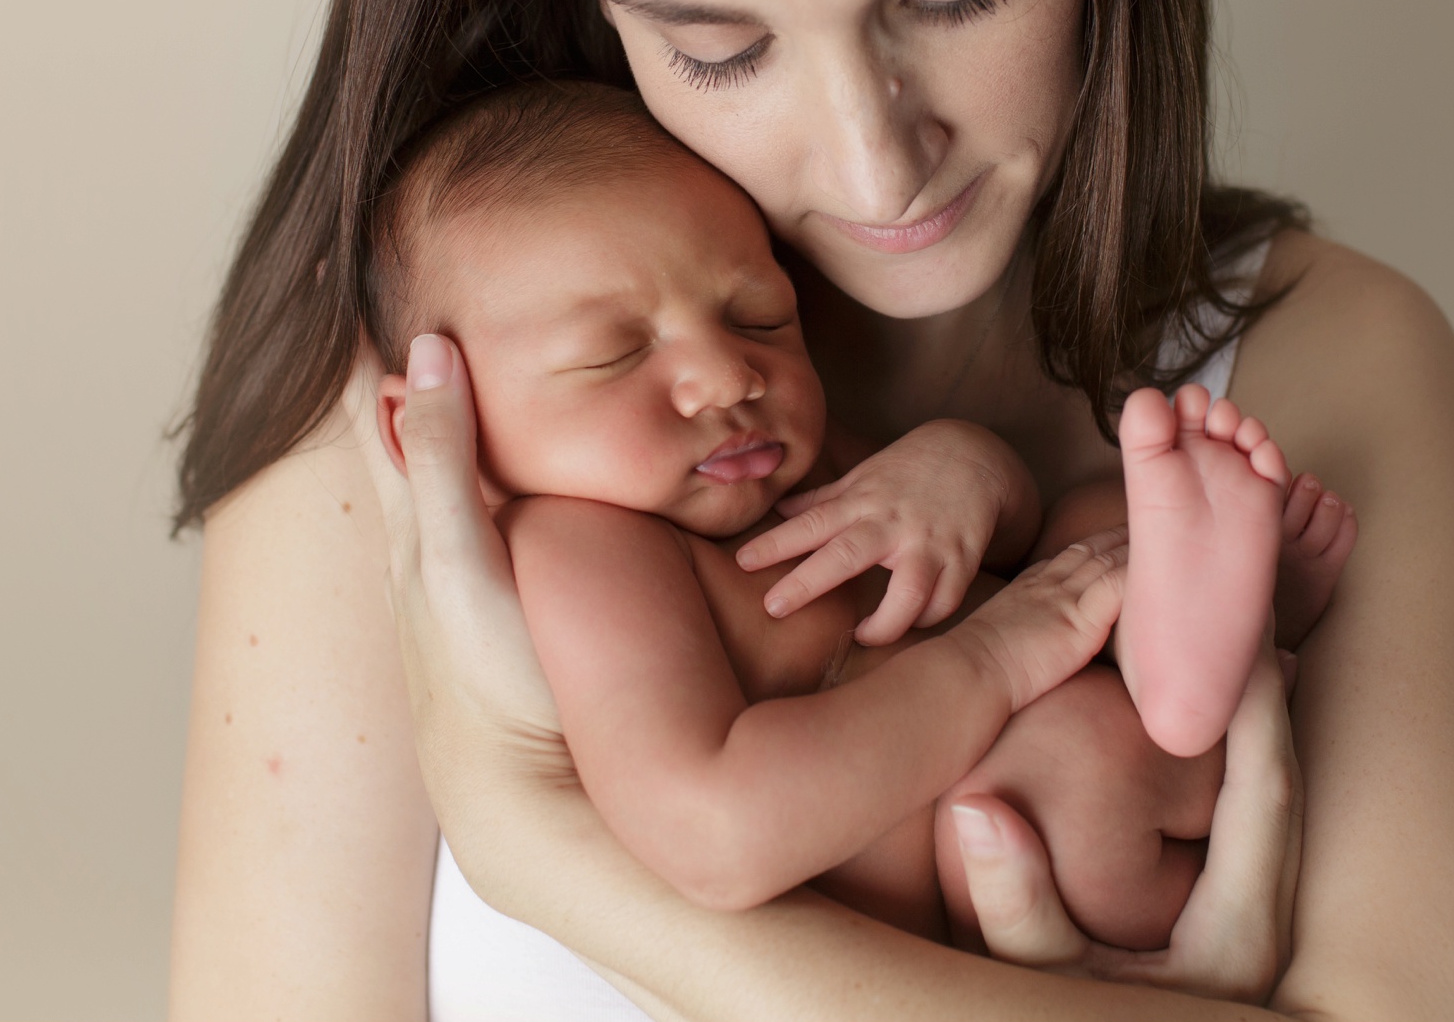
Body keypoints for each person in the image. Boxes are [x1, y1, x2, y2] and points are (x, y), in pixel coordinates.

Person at [168, 0, 1454, 1022]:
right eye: (722, 46)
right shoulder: (420, 415)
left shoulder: (1328, 368)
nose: (875, 154)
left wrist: (552, 852)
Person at [357, 79, 1357, 952]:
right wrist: (1000, 657)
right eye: (614, 355)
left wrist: (965, 474)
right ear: (436, 422)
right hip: (1020, 835)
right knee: (1068, 770)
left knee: (1094, 514)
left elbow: (998, 550)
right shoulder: (580, 550)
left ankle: (1228, 625)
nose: (727, 374)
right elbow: (716, 833)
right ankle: (1201, 684)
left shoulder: (776, 460)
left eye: (758, 316)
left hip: (1079, 683)